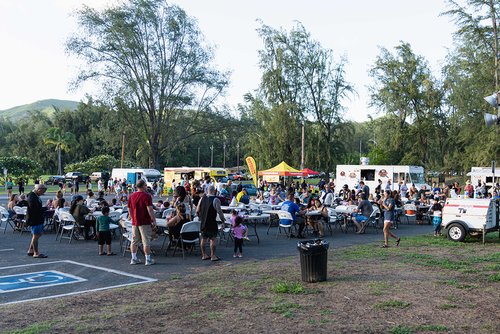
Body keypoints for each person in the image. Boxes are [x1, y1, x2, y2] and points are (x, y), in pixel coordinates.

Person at [128, 180, 157, 265]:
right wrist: (153, 220)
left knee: (134, 241)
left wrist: (132, 217)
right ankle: (147, 259)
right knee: (146, 241)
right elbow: (150, 209)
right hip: (144, 221)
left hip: (135, 221)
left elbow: (129, 208)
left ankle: (133, 258)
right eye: (145, 185)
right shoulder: (147, 196)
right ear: (143, 186)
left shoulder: (132, 196)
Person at [197, 185, 225, 262]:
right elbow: (220, 212)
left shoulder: (202, 198)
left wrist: (200, 217)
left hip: (203, 222)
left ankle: (204, 254)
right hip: (212, 222)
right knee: (212, 239)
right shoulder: (215, 200)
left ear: (207, 190)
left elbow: (197, 209)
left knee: (203, 238)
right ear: (215, 190)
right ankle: (213, 255)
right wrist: (223, 221)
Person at [26, 184, 48, 258]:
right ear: (39, 189)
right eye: (42, 192)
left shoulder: (34, 196)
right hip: (35, 219)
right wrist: (45, 208)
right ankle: (36, 253)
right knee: (36, 235)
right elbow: (34, 210)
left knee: (37, 235)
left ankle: (30, 250)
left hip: (37, 218)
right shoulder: (32, 197)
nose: (43, 194)